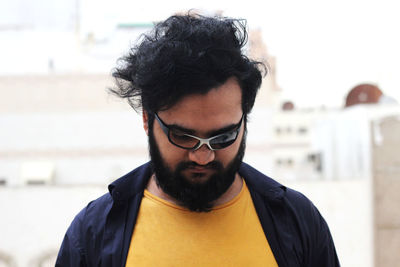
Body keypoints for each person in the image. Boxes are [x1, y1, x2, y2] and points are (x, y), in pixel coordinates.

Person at [56, 13, 340, 267]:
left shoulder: (297, 222)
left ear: (244, 120)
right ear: (147, 119)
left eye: (223, 137)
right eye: (183, 136)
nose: (203, 157)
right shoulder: (94, 233)